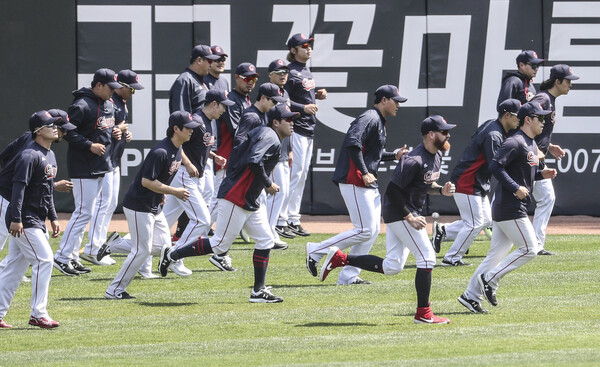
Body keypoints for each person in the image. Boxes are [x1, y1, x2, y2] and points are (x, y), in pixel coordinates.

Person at [319, 115, 456, 324]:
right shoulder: (413, 159)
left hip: (405, 212)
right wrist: (409, 217)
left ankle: (341, 258)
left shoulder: (436, 155)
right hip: (400, 212)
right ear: (431, 134)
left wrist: (441, 191)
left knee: (393, 266)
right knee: (427, 259)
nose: (448, 135)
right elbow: (392, 192)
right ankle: (423, 314)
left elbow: (424, 185)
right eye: (444, 131)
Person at [158, 104, 298, 303]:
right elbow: (254, 160)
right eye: (288, 119)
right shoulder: (270, 136)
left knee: (266, 240)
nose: (292, 123)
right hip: (237, 197)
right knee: (218, 244)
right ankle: (172, 254)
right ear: (276, 122)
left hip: (248, 197)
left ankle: (258, 291)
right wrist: (267, 183)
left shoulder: (265, 133)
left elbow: (241, 151)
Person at [459, 102, 557, 313]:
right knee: (530, 249)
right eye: (539, 118)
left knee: (495, 256)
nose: (543, 121)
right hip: (510, 206)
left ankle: (470, 295)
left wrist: (542, 175)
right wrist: (515, 188)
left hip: (509, 206)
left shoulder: (530, 143)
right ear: (528, 120)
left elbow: (522, 175)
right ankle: (490, 279)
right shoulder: (515, 142)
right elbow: (495, 165)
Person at [306, 85, 408, 285]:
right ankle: (317, 250)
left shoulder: (378, 120)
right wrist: (365, 172)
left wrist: (393, 155)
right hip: (354, 179)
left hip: (365, 181)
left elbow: (373, 155)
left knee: (370, 232)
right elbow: (353, 143)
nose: (398, 105)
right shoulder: (369, 117)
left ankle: (348, 276)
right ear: (384, 100)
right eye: (395, 100)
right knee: (365, 230)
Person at [104, 111, 197, 299]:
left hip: (154, 205)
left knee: (163, 248)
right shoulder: (160, 152)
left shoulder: (177, 148)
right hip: (139, 205)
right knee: (142, 251)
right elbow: (147, 181)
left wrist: (162, 193)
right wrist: (174, 192)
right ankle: (114, 290)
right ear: (176, 129)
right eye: (188, 128)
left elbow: (159, 179)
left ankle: (114, 245)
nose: (192, 131)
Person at [433, 99, 522, 265]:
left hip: (476, 182)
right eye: (517, 116)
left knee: (486, 221)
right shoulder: (494, 135)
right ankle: (451, 258)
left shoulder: (493, 125)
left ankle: (443, 231)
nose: (520, 119)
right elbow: (496, 166)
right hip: (467, 181)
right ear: (507, 115)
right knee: (474, 223)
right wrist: (514, 185)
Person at [53, 68, 123, 276]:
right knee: (83, 212)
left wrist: (117, 131)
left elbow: (106, 130)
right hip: (83, 166)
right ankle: (62, 257)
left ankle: (72, 256)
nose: (113, 91)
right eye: (111, 87)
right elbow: (66, 132)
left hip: (102, 164)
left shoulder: (109, 104)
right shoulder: (81, 105)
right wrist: (88, 145)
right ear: (98, 85)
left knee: (87, 212)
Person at [0, 111, 63, 328]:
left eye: (55, 124)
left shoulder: (50, 155)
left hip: (35, 217)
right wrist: (16, 218)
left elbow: (46, 190)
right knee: (45, 260)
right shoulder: (29, 155)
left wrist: (53, 217)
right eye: (50, 125)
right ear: (38, 130)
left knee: (15, 269)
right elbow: (18, 189)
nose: (55, 127)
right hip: (24, 219)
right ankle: (38, 313)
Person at [162, 90, 232, 275]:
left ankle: (119, 245)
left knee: (161, 221)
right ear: (214, 104)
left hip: (193, 175)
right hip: (185, 174)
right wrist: (187, 162)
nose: (225, 110)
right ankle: (175, 256)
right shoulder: (197, 121)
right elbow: (177, 143)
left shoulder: (209, 122)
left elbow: (200, 147)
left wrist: (214, 156)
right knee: (202, 220)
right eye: (223, 105)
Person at [80, 70, 143, 267]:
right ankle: (92, 248)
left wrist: (125, 131)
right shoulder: (109, 101)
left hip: (114, 158)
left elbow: (118, 126)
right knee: (102, 203)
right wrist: (120, 129)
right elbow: (108, 127)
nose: (132, 93)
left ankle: (97, 246)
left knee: (110, 202)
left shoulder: (120, 102)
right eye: (131, 89)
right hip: (103, 159)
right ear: (121, 86)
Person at [0, 109, 75, 276]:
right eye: (61, 128)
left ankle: (9, 278)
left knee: (16, 257)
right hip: (7, 197)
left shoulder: (31, 139)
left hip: (16, 198)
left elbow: (5, 157)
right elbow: (28, 180)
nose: (62, 133)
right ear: (40, 130)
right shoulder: (32, 150)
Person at [530, 65, 579, 255]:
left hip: (534, 157)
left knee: (546, 198)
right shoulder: (543, 99)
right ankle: (535, 245)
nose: (570, 85)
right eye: (568, 81)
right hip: (528, 158)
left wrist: (549, 147)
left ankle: (535, 245)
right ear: (557, 81)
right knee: (541, 198)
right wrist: (531, 149)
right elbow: (524, 124)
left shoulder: (549, 99)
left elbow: (537, 129)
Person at [283, 33, 327, 237]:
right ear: (293, 50)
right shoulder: (289, 72)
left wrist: (316, 94)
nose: (309, 48)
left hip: (308, 128)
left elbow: (303, 92)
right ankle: (280, 219)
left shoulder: (305, 70)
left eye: (310, 45)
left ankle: (293, 218)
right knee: (294, 175)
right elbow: (281, 99)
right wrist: (303, 106)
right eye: (304, 46)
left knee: (300, 177)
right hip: (295, 128)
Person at [265, 59, 296, 246]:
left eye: (285, 71)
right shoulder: (268, 93)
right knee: (277, 193)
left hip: (283, 149)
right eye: (278, 71)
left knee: (281, 193)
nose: (283, 74)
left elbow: (288, 124)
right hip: (273, 149)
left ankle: (268, 230)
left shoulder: (284, 92)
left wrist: (290, 149)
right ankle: (268, 233)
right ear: (270, 75)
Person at [169, 44, 219, 115]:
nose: (211, 65)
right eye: (210, 61)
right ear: (199, 60)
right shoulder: (185, 80)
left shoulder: (200, 80)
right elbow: (181, 117)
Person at [232, 82, 286, 148]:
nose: (275, 104)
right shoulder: (252, 117)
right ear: (263, 98)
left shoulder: (263, 113)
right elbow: (239, 144)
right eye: (274, 101)